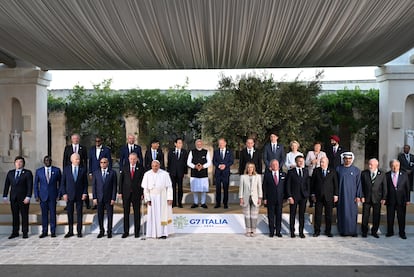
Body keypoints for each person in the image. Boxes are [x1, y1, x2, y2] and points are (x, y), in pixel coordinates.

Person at [3, 156, 33, 239]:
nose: (18, 163)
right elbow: (6, 185)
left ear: (23, 163)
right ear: (14, 163)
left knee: (24, 215)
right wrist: (5, 196)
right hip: (13, 198)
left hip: (24, 198)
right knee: (15, 215)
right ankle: (15, 232)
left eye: (20, 162)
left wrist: (28, 196)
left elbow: (30, 186)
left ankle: (25, 232)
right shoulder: (10, 173)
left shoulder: (27, 173)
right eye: (17, 162)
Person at [142, 160, 174, 239]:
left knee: (163, 215)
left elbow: (169, 187)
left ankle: (163, 233)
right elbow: (145, 189)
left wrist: (170, 198)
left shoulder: (165, 174)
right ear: (151, 166)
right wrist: (147, 199)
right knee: (153, 215)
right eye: (153, 166)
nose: (154, 168)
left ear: (159, 166)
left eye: (156, 166)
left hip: (162, 197)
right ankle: (153, 233)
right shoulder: (147, 174)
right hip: (152, 198)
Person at [60, 153, 88, 238]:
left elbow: (85, 183)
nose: (78, 161)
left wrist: (84, 193)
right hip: (69, 195)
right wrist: (64, 193)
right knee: (70, 214)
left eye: (79, 159)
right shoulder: (66, 169)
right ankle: (70, 231)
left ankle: (79, 231)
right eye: (76, 159)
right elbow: (63, 183)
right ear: (71, 160)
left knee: (79, 214)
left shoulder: (82, 170)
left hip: (79, 195)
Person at [34, 156, 62, 238]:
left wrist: (59, 194)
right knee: (44, 214)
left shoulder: (56, 170)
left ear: (51, 161)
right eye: (46, 160)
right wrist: (36, 195)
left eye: (49, 160)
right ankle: (44, 231)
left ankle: (53, 231)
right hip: (43, 196)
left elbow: (60, 184)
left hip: (53, 196)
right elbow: (36, 184)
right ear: (44, 161)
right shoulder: (39, 171)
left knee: (53, 214)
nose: (48, 161)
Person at [118, 152, 145, 238]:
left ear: (137, 159)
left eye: (134, 159)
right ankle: (126, 232)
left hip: (137, 193)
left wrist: (142, 193)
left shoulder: (141, 168)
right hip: (126, 193)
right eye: (131, 159)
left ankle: (137, 232)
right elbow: (121, 181)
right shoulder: (125, 167)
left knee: (137, 213)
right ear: (129, 159)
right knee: (126, 213)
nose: (132, 160)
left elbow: (142, 182)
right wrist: (120, 192)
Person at [310, 157, 338, 237]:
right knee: (318, 214)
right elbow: (312, 183)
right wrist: (312, 194)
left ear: (327, 163)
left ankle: (328, 231)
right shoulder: (316, 171)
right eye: (321, 162)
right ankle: (317, 231)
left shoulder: (332, 171)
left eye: (323, 162)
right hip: (318, 196)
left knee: (328, 215)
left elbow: (335, 184)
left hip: (329, 196)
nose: (321, 163)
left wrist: (336, 195)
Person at [336, 152, 361, 237]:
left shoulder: (356, 170)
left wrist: (358, 196)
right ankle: (343, 231)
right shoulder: (338, 169)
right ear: (343, 159)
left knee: (352, 213)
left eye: (349, 159)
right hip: (341, 195)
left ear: (352, 159)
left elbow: (359, 184)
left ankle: (353, 231)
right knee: (342, 213)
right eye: (346, 158)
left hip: (352, 196)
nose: (348, 160)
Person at [360, 158, 387, 238]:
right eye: (369, 164)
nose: (369, 166)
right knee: (365, 215)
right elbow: (361, 186)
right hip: (367, 198)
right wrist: (362, 196)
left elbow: (384, 187)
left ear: (376, 165)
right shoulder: (364, 173)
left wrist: (384, 198)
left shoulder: (382, 174)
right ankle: (364, 231)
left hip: (377, 198)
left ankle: (374, 231)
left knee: (376, 216)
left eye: (371, 164)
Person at [92, 157, 117, 238]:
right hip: (99, 198)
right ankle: (101, 231)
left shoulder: (112, 173)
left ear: (108, 163)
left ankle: (109, 231)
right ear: (100, 164)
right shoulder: (96, 173)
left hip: (109, 198)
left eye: (104, 162)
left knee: (110, 215)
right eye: (101, 162)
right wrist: (94, 197)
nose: (103, 164)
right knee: (100, 215)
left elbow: (114, 187)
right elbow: (94, 186)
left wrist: (113, 198)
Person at [62, 133, 90, 209]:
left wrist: (85, 169)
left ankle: (87, 203)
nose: (75, 140)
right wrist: (65, 170)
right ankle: (68, 205)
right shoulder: (67, 148)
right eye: (74, 138)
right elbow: (65, 160)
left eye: (77, 138)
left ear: (79, 139)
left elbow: (85, 160)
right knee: (70, 187)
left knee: (83, 185)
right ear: (71, 139)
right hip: (70, 170)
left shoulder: (83, 148)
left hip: (80, 170)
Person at [385, 159, 410, 239]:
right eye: (393, 166)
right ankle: (390, 232)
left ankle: (402, 232)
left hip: (401, 200)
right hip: (390, 199)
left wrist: (408, 199)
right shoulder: (387, 175)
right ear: (390, 166)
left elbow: (407, 188)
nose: (395, 167)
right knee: (390, 217)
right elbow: (385, 188)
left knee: (401, 217)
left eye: (397, 166)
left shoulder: (404, 175)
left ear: (399, 166)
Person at [286, 155, 309, 238]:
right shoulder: (291, 172)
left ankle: (301, 232)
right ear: (296, 162)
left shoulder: (306, 171)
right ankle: (292, 232)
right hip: (294, 196)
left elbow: (307, 183)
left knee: (302, 215)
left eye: (302, 161)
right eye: (299, 161)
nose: (301, 162)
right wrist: (289, 196)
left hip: (303, 196)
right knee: (292, 214)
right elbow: (288, 185)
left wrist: (307, 194)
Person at [262, 159, 286, 237]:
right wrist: (264, 198)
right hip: (270, 198)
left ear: (279, 166)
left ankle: (278, 231)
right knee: (271, 216)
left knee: (279, 215)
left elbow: (285, 187)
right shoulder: (267, 175)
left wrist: (285, 197)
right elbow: (264, 187)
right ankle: (271, 231)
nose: (275, 166)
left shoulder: (283, 174)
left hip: (280, 199)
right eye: (273, 164)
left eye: (276, 164)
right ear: (271, 166)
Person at [88, 135, 112, 209]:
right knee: (95, 187)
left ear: (101, 141)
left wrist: (109, 171)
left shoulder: (106, 150)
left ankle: (104, 204)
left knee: (104, 187)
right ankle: (96, 204)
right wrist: (90, 172)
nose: (97, 142)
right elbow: (90, 161)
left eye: (98, 141)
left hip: (104, 171)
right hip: (95, 172)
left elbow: (109, 161)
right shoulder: (92, 150)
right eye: (96, 141)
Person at [239, 162, 262, 237]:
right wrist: (241, 198)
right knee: (247, 215)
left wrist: (260, 198)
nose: (250, 169)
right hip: (246, 198)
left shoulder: (258, 176)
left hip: (255, 198)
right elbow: (241, 188)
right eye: (248, 167)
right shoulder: (243, 177)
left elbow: (259, 188)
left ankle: (253, 230)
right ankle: (248, 230)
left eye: (251, 167)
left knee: (254, 216)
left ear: (253, 168)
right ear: (247, 168)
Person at [187, 139, 212, 209]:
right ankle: (195, 202)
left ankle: (203, 203)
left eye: (200, 144)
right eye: (198, 144)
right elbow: (188, 162)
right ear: (196, 144)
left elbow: (209, 162)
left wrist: (203, 166)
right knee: (195, 189)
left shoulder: (206, 152)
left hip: (203, 173)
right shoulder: (192, 152)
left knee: (203, 189)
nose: (199, 145)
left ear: (202, 144)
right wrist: (194, 166)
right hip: (194, 173)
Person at [213, 138, 234, 209]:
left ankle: (225, 203)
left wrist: (225, 165)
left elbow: (231, 161)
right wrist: (218, 165)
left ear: (225, 143)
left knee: (225, 189)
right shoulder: (216, 152)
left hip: (226, 172)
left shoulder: (229, 151)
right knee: (218, 189)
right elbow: (214, 161)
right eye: (219, 143)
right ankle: (218, 203)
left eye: (222, 143)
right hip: (218, 173)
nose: (221, 144)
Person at [167, 138, 188, 208]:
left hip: (180, 173)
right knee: (172, 188)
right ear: (175, 144)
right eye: (179, 143)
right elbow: (169, 162)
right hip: (172, 173)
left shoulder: (184, 152)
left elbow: (185, 163)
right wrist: (169, 172)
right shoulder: (171, 151)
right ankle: (173, 203)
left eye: (181, 143)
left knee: (180, 188)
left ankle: (180, 202)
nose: (180, 144)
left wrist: (185, 172)